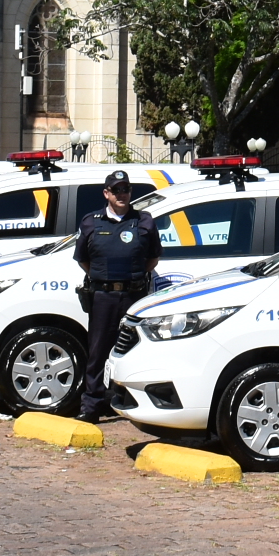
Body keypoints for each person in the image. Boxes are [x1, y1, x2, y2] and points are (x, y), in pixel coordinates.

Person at [72, 171, 163, 419]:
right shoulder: (91, 222)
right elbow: (83, 260)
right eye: (117, 190)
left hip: (135, 297)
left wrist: (130, 278)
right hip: (103, 297)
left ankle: (136, 404)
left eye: (126, 189)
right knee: (98, 352)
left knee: (136, 351)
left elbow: (153, 258)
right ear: (107, 194)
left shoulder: (144, 220)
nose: (122, 194)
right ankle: (92, 406)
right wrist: (107, 280)